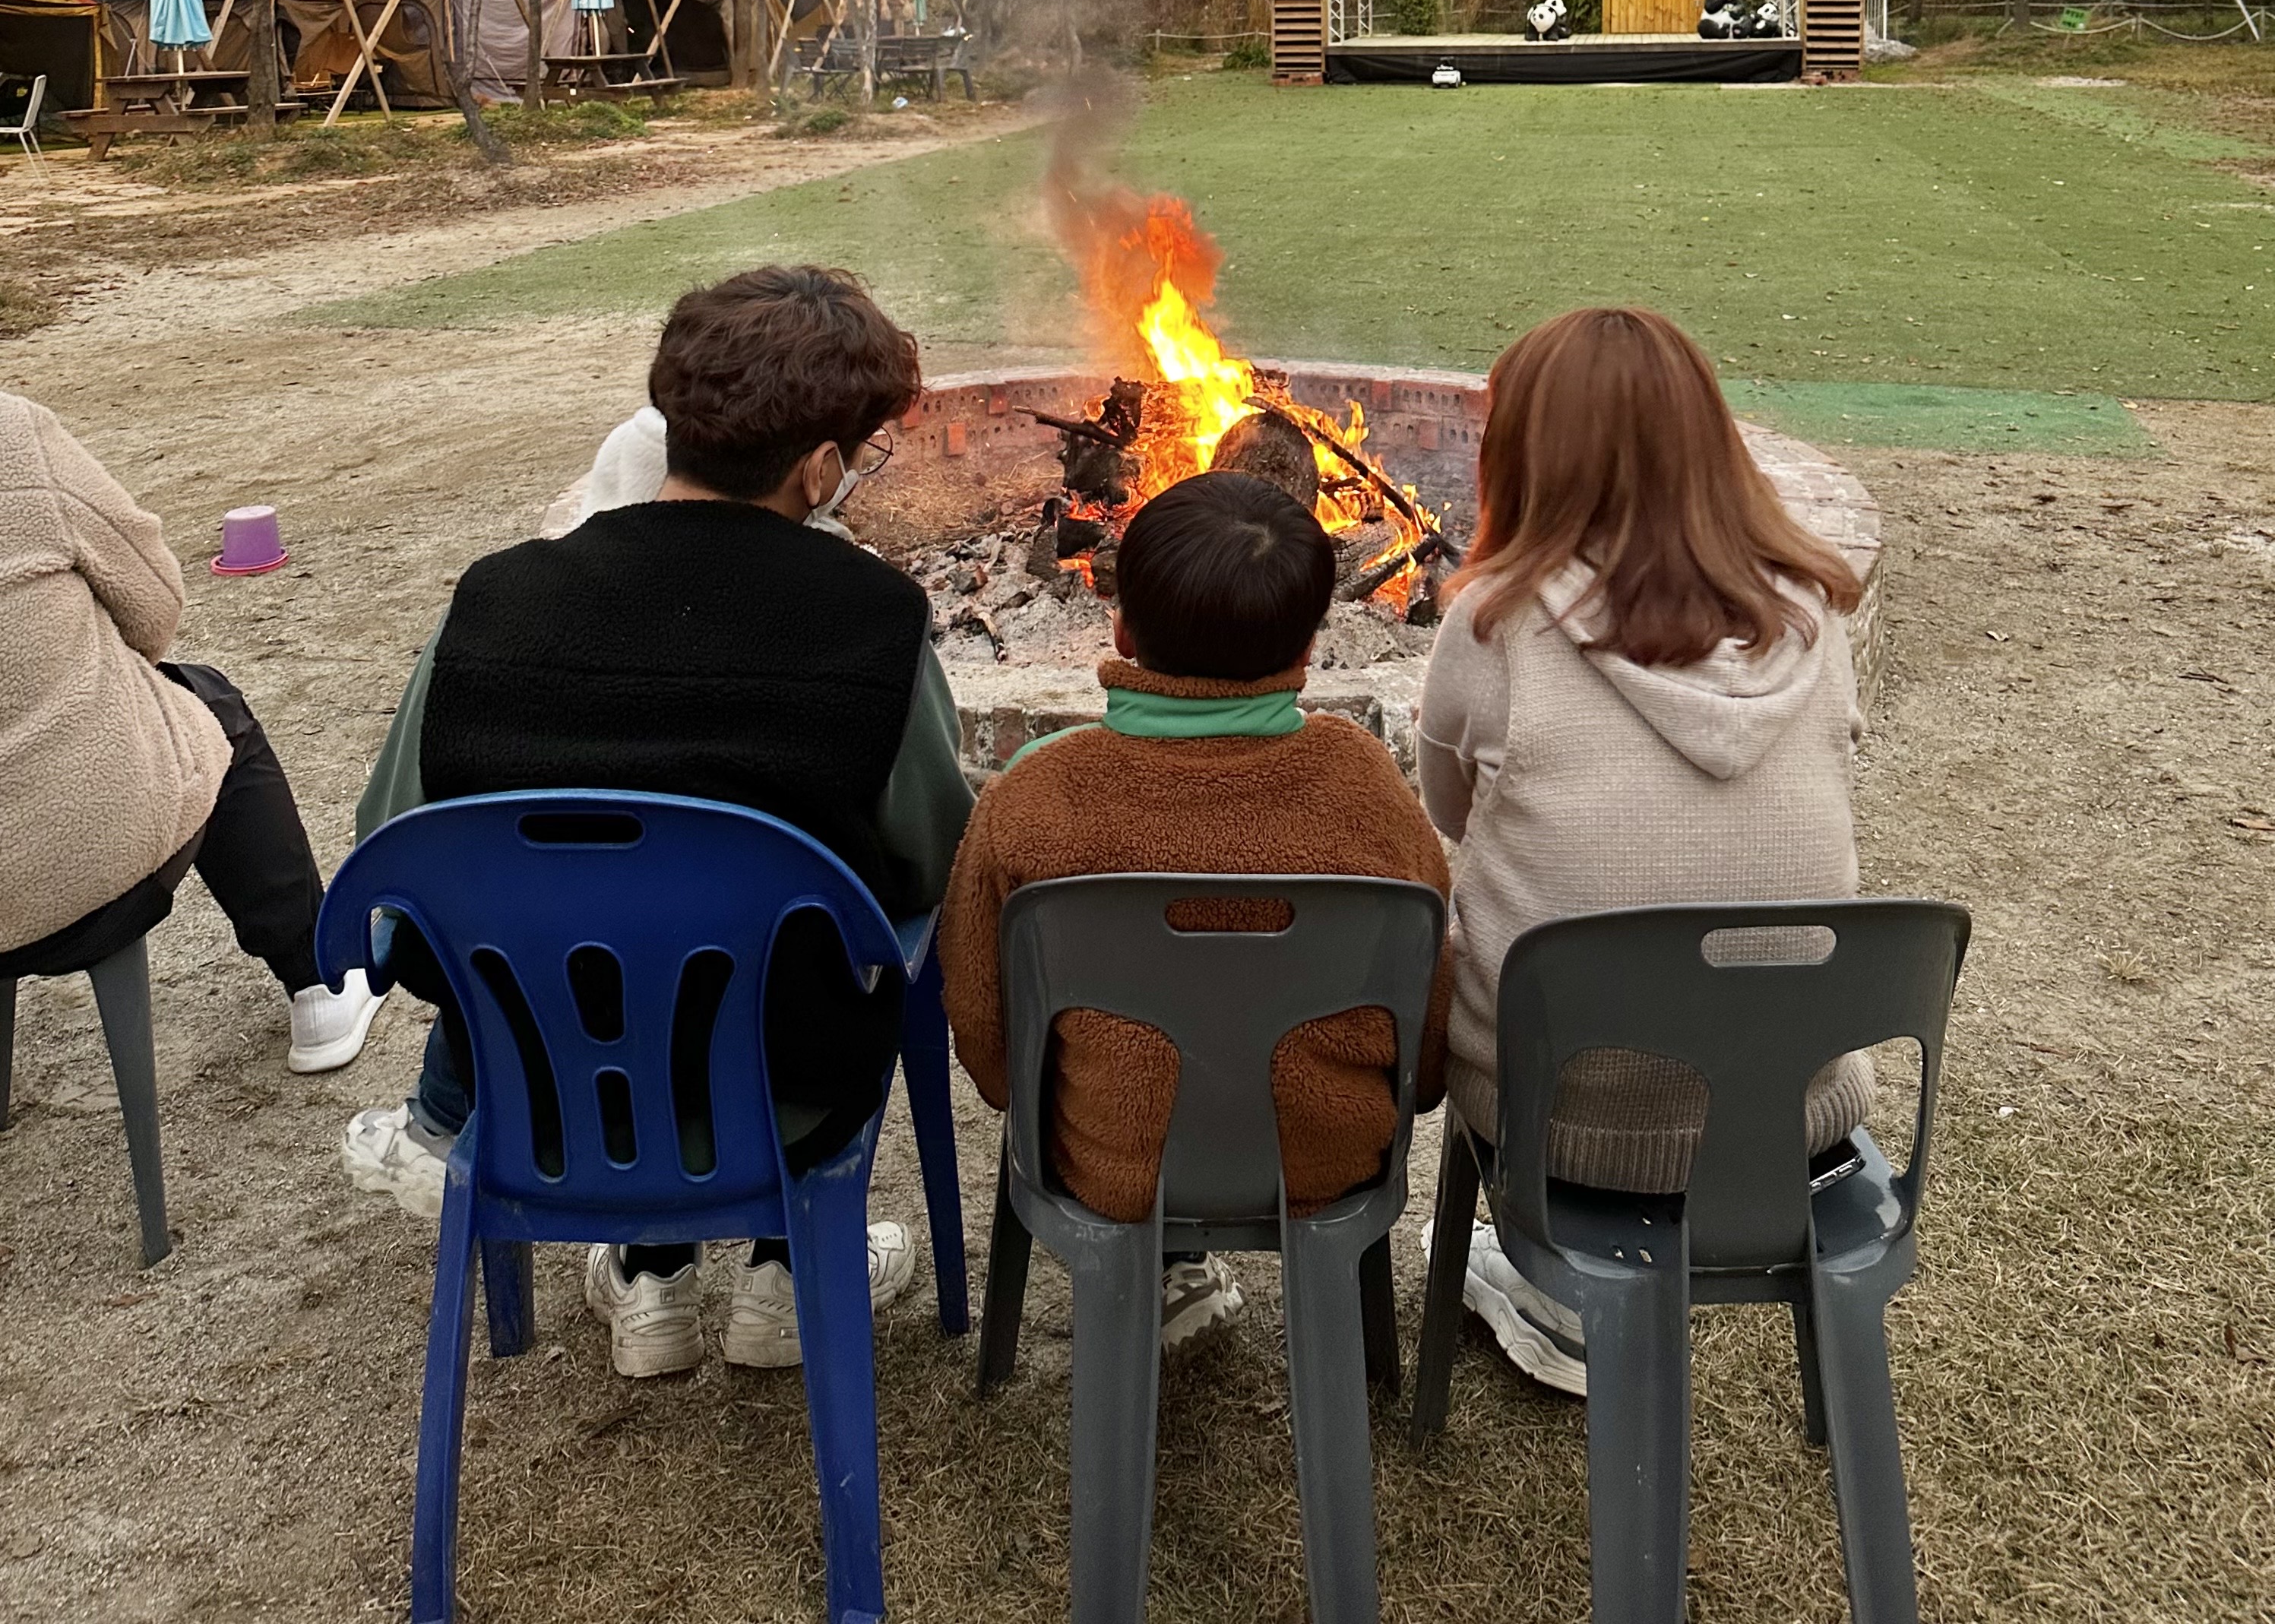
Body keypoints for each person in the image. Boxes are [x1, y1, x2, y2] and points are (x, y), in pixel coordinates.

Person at [340, 265, 974, 1382]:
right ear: (818, 468)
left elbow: (393, 839)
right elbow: (929, 856)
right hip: (781, 1090)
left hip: (532, 1077)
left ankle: (649, 1272)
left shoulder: (490, 601)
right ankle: (784, 1271)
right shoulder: (874, 622)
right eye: (862, 453)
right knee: (824, 934)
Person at [1416, 305, 1872, 1398]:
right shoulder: (1813, 618)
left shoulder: (1492, 626)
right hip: (1788, 1116)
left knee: (1458, 918)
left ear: (1523, 458)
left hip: (1563, 1126)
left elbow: (1447, 811)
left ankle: (1551, 1293)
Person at [941, 467, 1453, 1349]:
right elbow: (1430, 1010)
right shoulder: (1368, 788)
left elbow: (984, 1021)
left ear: (1121, 626)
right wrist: (1419, 1089)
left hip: (1114, 1156)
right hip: (1326, 1154)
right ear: (1308, 648)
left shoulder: (1035, 795)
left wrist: (1022, 1098)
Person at [0, 388, 381, 1071]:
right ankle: (319, 979)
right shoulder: (14, 434)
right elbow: (153, 605)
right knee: (206, 702)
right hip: (85, 884)